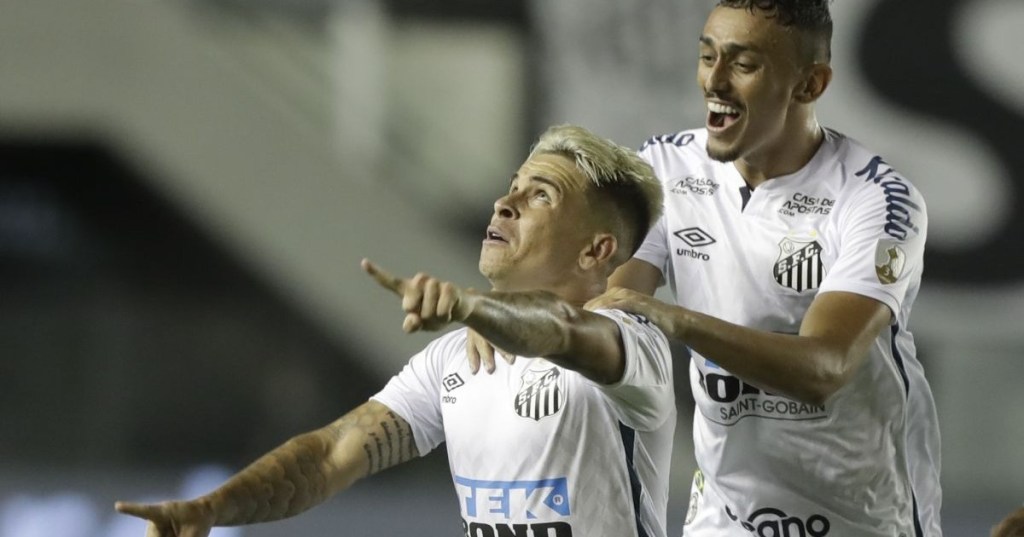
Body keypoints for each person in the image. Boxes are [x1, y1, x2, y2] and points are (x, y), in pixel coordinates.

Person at [472, 1, 942, 535]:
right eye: (707, 56)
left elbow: (824, 370)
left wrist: (675, 320)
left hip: (863, 518)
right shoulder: (665, 169)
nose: (714, 82)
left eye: (743, 65)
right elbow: (611, 312)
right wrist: (517, 310)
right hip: (725, 518)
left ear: (809, 84)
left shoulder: (877, 197)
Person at [114, 124, 677, 537]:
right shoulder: (454, 359)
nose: (504, 203)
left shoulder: (634, 344)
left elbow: (564, 330)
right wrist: (214, 507)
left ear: (595, 250)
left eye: (540, 196)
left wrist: (474, 306)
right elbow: (330, 455)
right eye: (513, 186)